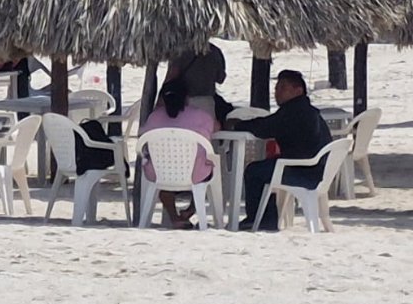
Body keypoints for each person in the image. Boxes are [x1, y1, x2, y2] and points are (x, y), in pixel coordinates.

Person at [235, 69, 332, 232]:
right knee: (265, 168)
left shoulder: (294, 112)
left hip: (304, 172)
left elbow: (264, 127)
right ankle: (266, 218)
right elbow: (270, 124)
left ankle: (261, 220)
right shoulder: (307, 110)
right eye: (276, 88)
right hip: (317, 170)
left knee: (254, 171)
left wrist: (237, 125)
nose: (277, 92)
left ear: (298, 90)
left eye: (282, 88)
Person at [139, 77, 219, 229]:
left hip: (160, 173)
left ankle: (174, 217)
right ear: (187, 98)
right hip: (195, 173)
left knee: (161, 181)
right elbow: (216, 127)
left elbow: (143, 137)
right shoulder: (200, 116)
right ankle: (190, 210)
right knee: (212, 170)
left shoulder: (154, 117)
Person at [164, 43, 226, 120]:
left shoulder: (181, 51)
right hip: (207, 100)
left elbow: (172, 75)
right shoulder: (215, 51)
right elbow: (220, 79)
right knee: (205, 128)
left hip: (185, 101)